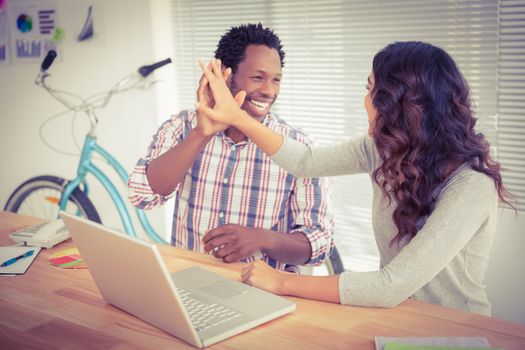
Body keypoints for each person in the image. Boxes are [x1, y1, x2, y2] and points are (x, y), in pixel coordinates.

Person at [196, 41, 515, 315]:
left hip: (456, 329)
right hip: (396, 317)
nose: (365, 99)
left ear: (397, 105)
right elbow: (305, 162)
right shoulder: (381, 150)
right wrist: (236, 116)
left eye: (371, 89)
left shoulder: (471, 186)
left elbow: (391, 285)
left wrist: (281, 281)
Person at [128, 23, 334, 273]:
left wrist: (262, 238)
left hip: (262, 293)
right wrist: (201, 134)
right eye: (258, 77)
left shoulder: (299, 147)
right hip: (189, 284)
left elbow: (320, 244)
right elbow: (142, 195)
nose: (269, 91)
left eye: (276, 80)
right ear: (226, 76)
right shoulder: (182, 126)